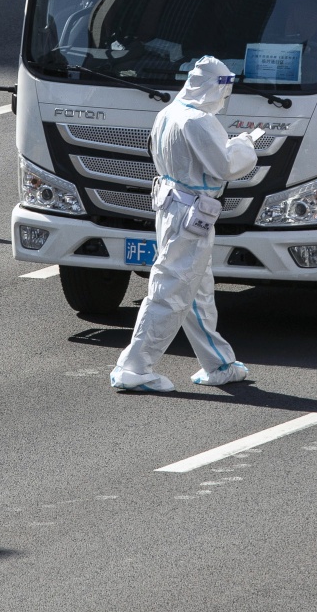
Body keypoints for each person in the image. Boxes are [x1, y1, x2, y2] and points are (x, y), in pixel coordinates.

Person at [111, 56, 265, 393]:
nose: (226, 98)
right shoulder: (199, 121)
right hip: (191, 213)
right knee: (171, 291)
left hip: (172, 206)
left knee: (197, 291)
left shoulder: (168, 112)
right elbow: (225, 166)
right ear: (213, 88)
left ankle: (219, 364)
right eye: (225, 91)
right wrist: (244, 146)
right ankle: (134, 368)